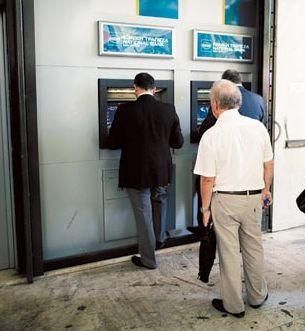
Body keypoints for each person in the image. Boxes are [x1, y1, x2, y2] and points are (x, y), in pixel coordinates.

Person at [193, 79, 273, 318]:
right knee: (253, 248)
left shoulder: (211, 135)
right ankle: (257, 296)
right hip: (253, 199)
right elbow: (268, 165)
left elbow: (207, 179)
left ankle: (234, 305)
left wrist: (205, 209)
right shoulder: (258, 127)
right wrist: (266, 190)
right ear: (237, 102)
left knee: (228, 252)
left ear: (215, 104)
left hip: (225, 201)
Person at [107, 72, 184, 269]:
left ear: (135, 88)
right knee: (158, 205)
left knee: (144, 215)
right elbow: (178, 142)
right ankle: (157, 241)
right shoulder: (168, 109)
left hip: (136, 172)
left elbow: (112, 142)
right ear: (155, 88)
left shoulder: (124, 110)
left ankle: (148, 260)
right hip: (161, 170)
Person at [197, 69, 265, 139]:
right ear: (239, 81)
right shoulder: (258, 99)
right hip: (251, 144)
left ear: (224, 83)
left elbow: (205, 129)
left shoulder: (221, 99)